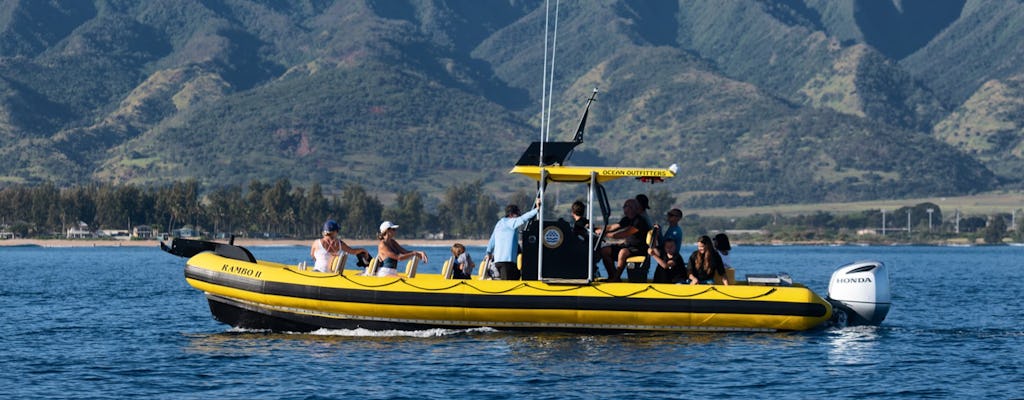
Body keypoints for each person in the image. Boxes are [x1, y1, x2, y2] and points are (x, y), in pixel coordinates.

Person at [485, 198, 541, 280]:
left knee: (516, 276)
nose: (518, 216)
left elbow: (492, 240)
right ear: (512, 215)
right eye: (517, 215)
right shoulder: (511, 222)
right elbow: (523, 219)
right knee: (507, 283)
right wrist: (537, 209)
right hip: (507, 261)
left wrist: (488, 252)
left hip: (498, 261)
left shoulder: (499, 223)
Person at [597, 198, 651, 282]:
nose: (623, 208)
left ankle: (616, 277)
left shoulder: (639, 221)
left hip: (638, 249)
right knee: (605, 250)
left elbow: (625, 233)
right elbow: (613, 227)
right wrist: (598, 229)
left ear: (632, 208)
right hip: (628, 246)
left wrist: (605, 234)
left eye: (625, 206)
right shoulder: (626, 219)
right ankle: (612, 276)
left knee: (623, 252)